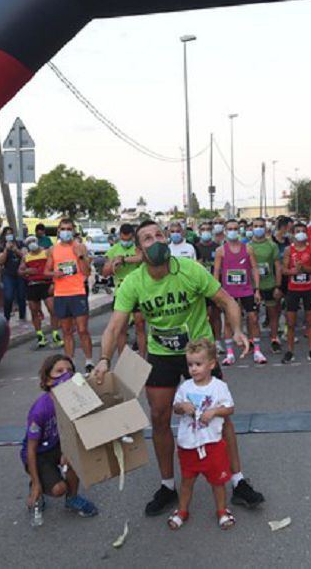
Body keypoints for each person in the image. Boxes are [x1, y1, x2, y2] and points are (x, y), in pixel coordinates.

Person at [95, 220, 264, 516]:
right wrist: (104, 359)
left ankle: (237, 482)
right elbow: (114, 327)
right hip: (162, 354)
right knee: (159, 417)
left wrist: (237, 330)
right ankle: (168, 486)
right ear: (139, 249)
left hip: (198, 351)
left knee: (220, 417)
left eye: (159, 234)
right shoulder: (134, 282)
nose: (156, 240)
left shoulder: (190, 270)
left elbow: (227, 301)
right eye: (148, 238)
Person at [167, 339, 236, 531]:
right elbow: (175, 409)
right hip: (188, 444)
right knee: (187, 480)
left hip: (212, 443)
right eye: (190, 365)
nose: (194, 369)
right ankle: (182, 511)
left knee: (218, 481)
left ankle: (222, 511)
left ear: (211, 364)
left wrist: (214, 412)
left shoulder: (219, 387)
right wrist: (182, 406)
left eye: (198, 364)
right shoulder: (185, 387)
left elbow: (230, 408)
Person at [23, 354, 98, 527]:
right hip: (39, 453)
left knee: (77, 456)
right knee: (58, 489)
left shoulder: (73, 401)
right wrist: (36, 484)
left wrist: (67, 451)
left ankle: (72, 498)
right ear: (48, 380)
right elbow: (31, 450)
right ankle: (38, 484)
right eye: (59, 371)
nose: (66, 375)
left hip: (57, 445)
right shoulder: (40, 410)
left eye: (70, 371)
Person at [214, 219, 264, 365]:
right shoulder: (220, 251)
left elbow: (254, 268)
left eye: (235, 228)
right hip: (228, 292)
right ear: (225, 231)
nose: (233, 231)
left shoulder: (247, 248)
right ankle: (230, 354)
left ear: (240, 230)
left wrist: (257, 289)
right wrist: (216, 294)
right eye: (230, 229)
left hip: (247, 290)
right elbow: (216, 272)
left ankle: (257, 351)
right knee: (229, 322)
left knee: (253, 319)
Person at [45, 218, 93, 371]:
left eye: (69, 228)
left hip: (78, 292)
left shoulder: (80, 247)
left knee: (82, 329)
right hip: (61, 294)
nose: (66, 231)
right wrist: (54, 273)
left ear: (73, 231)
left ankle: (89, 361)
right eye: (63, 229)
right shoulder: (53, 250)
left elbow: (87, 271)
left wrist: (80, 257)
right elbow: (46, 271)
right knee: (66, 330)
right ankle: (70, 362)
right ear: (58, 231)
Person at [104, 223, 146, 353]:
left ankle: (142, 357)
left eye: (128, 240)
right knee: (121, 328)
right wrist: (112, 265)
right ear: (119, 236)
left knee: (140, 326)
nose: (126, 242)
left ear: (133, 237)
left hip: (139, 292)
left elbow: (142, 258)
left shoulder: (137, 249)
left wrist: (124, 260)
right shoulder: (114, 250)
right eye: (123, 239)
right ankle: (122, 358)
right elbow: (105, 272)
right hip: (121, 291)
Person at [280, 221, 311, 363]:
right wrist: (294, 271)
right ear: (293, 234)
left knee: (310, 322)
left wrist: (304, 269)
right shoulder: (289, 250)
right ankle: (290, 351)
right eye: (297, 231)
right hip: (293, 290)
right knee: (290, 323)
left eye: (303, 230)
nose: (300, 233)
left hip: (308, 289)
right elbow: (284, 270)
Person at [247, 217, 281, 352]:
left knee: (273, 313)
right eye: (256, 226)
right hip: (252, 287)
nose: (258, 229)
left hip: (269, 285)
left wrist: (278, 286)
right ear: (252, 228)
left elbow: (277, 266)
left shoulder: (272, 245)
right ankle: (251, 340)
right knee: (252, 316)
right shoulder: (247, 246)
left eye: (261, 226)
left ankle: (274, 339)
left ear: (265, 228)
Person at [20, 236, 58, 348]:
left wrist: (53, 283)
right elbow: (20, 270)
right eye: (29, 242)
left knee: (52, 309)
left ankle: (55, 334)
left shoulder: (46, 253)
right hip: (32, 285)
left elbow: (55, 267)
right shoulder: (26, 257)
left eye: (33, 241)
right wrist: (27, 270)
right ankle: (40, 335)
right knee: (34, 311)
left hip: (46, 283)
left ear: (37, 242)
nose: (32, 244)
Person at [193, 223, 223, 352]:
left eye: (208, 230)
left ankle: (217, 341)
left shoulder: (218, 248)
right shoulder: (195, 248)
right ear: (199, 231)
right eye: (203, 229)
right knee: (200, 315)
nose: (206, 232)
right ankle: (200, 342)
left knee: (215, 315)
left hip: (213, 285)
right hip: (198, 287)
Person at [0, 226, 27, 322]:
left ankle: (22, 316)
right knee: (8, 296)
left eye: (10, 233)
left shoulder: (19, 243)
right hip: (8, 274)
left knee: (21, 296)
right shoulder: (1, 246)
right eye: (7, 234)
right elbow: (1, 262)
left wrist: (15, 249)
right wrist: (6, 249)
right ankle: (6, 317)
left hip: (20, 274)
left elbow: (25, 256)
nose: (9, 235)